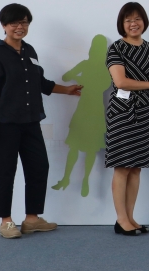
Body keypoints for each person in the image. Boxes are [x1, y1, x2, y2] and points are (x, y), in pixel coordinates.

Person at [0, 3, 83, 239]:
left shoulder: (29, 51)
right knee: (6, 172)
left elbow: (41, 83)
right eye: (14, 23)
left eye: (24, 22)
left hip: (31, 122)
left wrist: (65, 90)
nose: (20, 27)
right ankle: (6, 222)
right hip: (5, 124)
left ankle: (31, 219)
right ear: (4, 25)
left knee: (39, 168)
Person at [105, 2, 149, 236]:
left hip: (143, 112)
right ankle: (121, 220)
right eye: (129, 19)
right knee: (122, 167)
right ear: (122, 24)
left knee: (136, 168)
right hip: (122, 113)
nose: (134, 23)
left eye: (138, 18)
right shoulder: (116, 49)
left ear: (144, 22)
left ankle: (131, 218)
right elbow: (120, 82)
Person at [52, 34, 110, 197]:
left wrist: (82, 79)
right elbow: (104, 85)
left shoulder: (87, 64)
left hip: (86, 108)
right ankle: (82, 180)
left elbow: (66, 76)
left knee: (75, 146)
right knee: (89, 149)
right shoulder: (105, 68)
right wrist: (85, 80)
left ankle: (67, 178)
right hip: (95, 109)